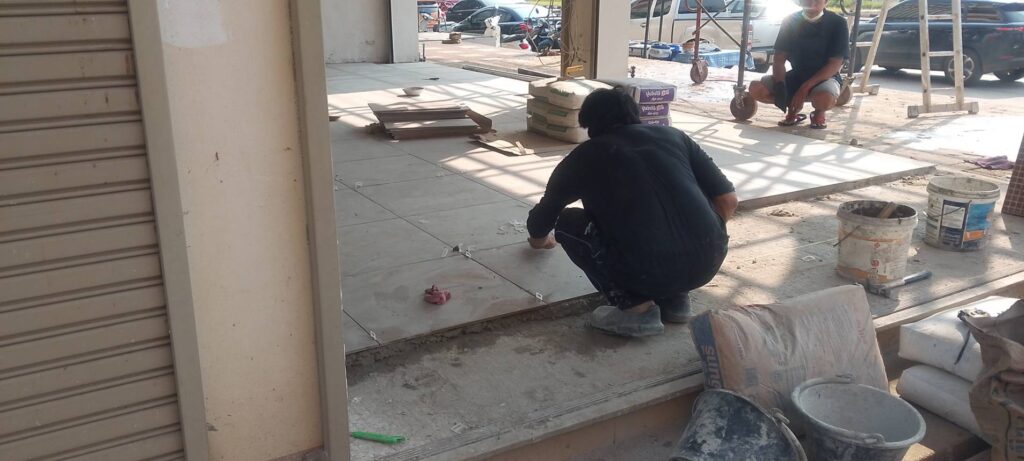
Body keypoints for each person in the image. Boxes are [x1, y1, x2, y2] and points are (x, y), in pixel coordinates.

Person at [526, 88, 737, 337]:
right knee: (679, 209)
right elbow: (728, 200)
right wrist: (703, 240)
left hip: (645, 271)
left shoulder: (584, 156)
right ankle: (675, 300)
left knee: (567, 222)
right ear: (635, 114)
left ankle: (636, 310)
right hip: (709, 262)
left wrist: (540, 240)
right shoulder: (675, 137)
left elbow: (546, 214)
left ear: (587, 124)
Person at [748, 0, 849, 129]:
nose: (812, 4)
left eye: (817, 0)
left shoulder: (838, 23)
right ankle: (792, 107)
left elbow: (834, 64)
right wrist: (780, 85)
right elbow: (779, 58)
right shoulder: (790, 21)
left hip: (826, 77)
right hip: (797, 74)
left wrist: (804, 89)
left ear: (826, 2)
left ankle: (819, 112)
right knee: (756, 88)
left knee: (824, 99)